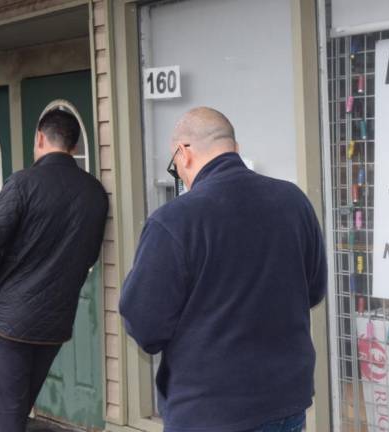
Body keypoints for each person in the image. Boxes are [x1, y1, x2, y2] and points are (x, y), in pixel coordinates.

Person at [120, 107, 327, 432]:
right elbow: (313, 290)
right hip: (286, 402)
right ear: (235, 150)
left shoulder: (175, 221)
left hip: (210, 411)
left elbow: (145, 326)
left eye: (175, 167)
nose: (180, 175)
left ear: (183, 153)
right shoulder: (293, 201)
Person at [0, 109, 108, 432]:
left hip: (8, 324)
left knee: (9, 421)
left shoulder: (23, 183)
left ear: (39, 138)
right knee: (17, 415)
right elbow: (88, 255)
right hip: (53, 323)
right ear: (74, 144)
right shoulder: (95, 193)